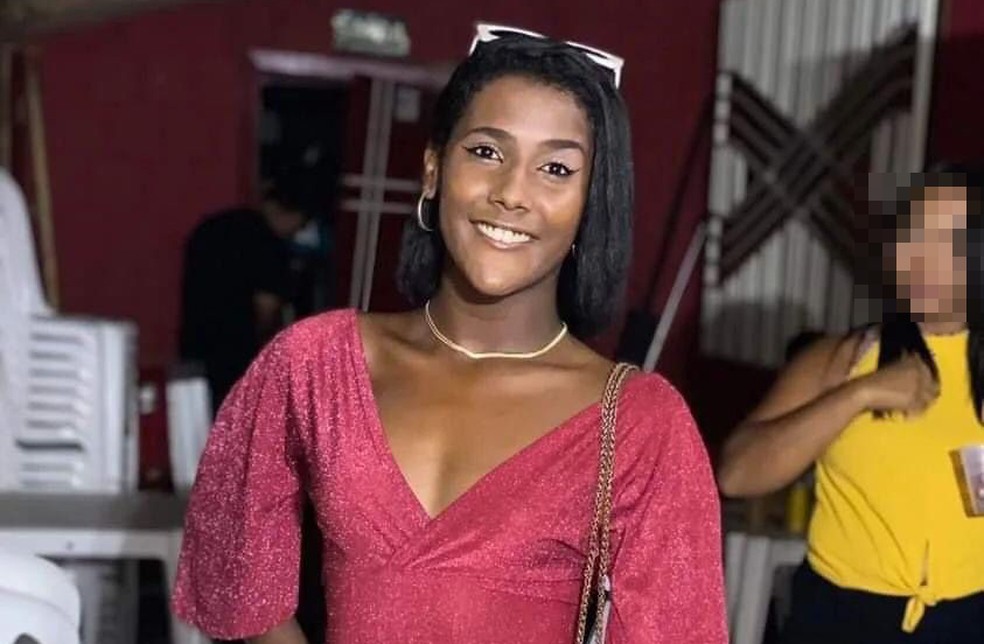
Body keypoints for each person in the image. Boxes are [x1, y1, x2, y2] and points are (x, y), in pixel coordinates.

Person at [171, 25, 726, 644]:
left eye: (555, 169)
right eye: (487, 152)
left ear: (589, 204)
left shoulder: (642, 424)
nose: (512, 193)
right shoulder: (316, 365)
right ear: (434, 171)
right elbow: (238, 569)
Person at [717, 165, 984, 643]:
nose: (923, 258)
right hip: (842, 618)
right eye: (914, 235)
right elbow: (737, 473)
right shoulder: (841, 357)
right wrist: (860, 393)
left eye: (950, 242)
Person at [178, 168, 314, 412]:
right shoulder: (271, 247)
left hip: (194, 348)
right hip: (237, 357)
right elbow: (266, 309)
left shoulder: (211, 229)